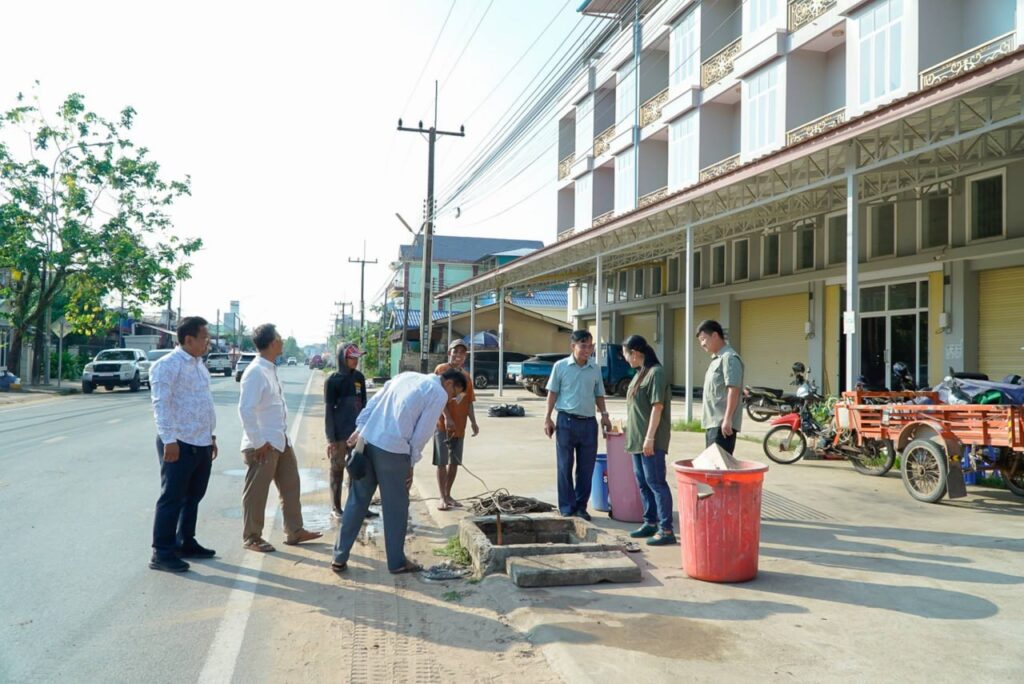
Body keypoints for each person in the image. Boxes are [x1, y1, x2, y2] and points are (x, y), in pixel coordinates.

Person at [332, 369, 468, 574]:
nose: (452, 399)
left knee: (357, 500)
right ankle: (396, 562)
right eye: (455, 393)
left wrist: (359, 428)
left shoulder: (405, 376)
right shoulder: (438, 392)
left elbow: (374, 402)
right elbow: (422, 433)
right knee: (396, 507)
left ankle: (339, 556)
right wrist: (411, 463)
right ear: (449, 384)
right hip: (393, 450)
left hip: (368, 441)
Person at [238, 323, 322, 553]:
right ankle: (252, 537)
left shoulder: (270, 368)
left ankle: (295, 531)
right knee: (257, 492)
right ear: (272, 343)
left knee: (291, 486)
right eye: (280, 338)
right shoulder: (255, 372)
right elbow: (245, 410)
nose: (283, 341)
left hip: (279, 440)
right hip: (263, 444)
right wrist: (258, 443)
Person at [148, 316, 217, 573]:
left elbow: (203, 403)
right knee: (172, 498)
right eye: (204, 338)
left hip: (201, 441)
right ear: (188, 339)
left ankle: (185, 541)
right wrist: (169, 440)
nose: (207, 342)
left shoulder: (200, 365)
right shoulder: (167, 365)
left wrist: (211, 436)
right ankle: (162, 552)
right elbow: (161, 405)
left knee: (193, 497)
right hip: (178, 442)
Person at [543, 330, 613, 520]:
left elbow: (599, 394)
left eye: (590, 346)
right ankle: (567, 507)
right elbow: (552, 393)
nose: (587, 350)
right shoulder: (561, 366)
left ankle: (581, 507)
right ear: (573, 346)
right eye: (583, 346)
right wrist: (547, 417)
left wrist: (604, 416)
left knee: (586, 468)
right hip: (566, 422)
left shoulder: (595, 368)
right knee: (564, 466)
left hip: (589, 424)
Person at [621, 335, 676, 545]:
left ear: (634, 353)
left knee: (656, 483)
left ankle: (666, 529)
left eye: (626, 354)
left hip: (650, 440)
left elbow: (657, 407)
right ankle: (650, 522)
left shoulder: (656, 373)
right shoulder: (640, 373)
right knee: (643, 483)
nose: (625, 358)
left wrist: (650, 438)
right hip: (637, 440)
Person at [324, 343, 378, 520]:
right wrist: (330, 439)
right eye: (351, 357)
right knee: (337, 470)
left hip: (356, 432)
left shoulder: (359, 378)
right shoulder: (332, 380)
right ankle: (336, 507)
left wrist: (366, 429)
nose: (355, 361)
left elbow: (364, 405)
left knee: (358, 470)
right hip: (339, 434)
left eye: (357, 358)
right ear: (342, 358)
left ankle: (358, 507)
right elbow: (328, 411)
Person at [434, 339, 479, 511]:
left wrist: (474, 422)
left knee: (455, 462)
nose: (458, 355)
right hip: (442, 426)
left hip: (460, 426)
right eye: (455, 351)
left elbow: (468, 401)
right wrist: (447, 417)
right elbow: (438, 396)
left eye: (462, 352)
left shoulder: (467, 377)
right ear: (449, 353)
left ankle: (448, 493)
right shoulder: (442, 370)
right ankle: (441, 497)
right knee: (441, 461)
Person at [697, 319, 744, 455]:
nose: (702, 344)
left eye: (704, 339)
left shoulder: (729, 358)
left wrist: (728, 419)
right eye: (700, 341)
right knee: (713, 468)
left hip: (722, 425)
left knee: (718, 469)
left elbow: (733, 389)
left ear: (715, 335)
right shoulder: (717, 359)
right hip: (713, 424)